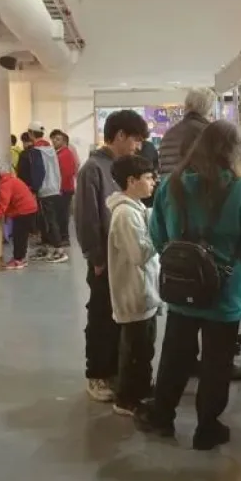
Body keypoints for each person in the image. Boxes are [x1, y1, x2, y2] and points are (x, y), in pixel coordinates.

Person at [137, 120, 241, 450]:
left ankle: (163, 416)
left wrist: (181, 260)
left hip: (182, 288)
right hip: (225, 290)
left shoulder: (171, 184)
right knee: (217, 362)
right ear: (234, 151)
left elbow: (156, 235)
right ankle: (207, 428)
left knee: (175, 355)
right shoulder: (239, 189)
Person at [74, 109, 149, 402]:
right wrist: (96, 258)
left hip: (125, 259)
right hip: (104, 261)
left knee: (122, 317)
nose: (138, 147)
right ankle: (96, 374)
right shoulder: (92, 169)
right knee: (102, 316)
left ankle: (116, 371)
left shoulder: (122, 167)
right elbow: (87, 218)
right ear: (119, 136)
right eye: (135, 140)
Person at [106, 154, 162, 417]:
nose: (154, 182)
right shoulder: (125, 214)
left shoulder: (137, 208)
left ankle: (141, 388)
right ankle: (126, 398)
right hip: (133, 292)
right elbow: (139, 254)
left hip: (145, 292)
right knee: (134, 349)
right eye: (149, 177)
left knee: (145, 346)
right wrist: (159, 235)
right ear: (131, 181)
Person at [18, 122, 68, 263]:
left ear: (30, 133)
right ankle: (47, 248)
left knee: (49, 221)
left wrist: (33, 188)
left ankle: (59, 250)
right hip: (54, 187)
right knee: (46, 221)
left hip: (44, 190)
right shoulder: (50, 148)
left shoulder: (35, 151)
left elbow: (38, 172)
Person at [0, 169, 38, 269]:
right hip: (29, 208)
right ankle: (21, 258)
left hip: (24, 210)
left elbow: (3, 203)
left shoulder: (5, 185)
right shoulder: (8, 180)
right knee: (22, 236)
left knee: (19, 236)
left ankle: (18, 260)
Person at [158, 87, 216, 175]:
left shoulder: (169, 133)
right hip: (195, 186)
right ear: (209, 108)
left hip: (169, 185)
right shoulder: (207, 131)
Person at [50, 129, 80, 246]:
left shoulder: (65, 153)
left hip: (64, 189)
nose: (54, 141)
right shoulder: (58, 153)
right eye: (53, 139)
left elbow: (66, 173)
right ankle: (62, 237)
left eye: (58, 139)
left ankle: (64, 238)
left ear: (64, 141)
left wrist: (59, 188)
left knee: (62, 215)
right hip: (61, 188)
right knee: (60, 214)